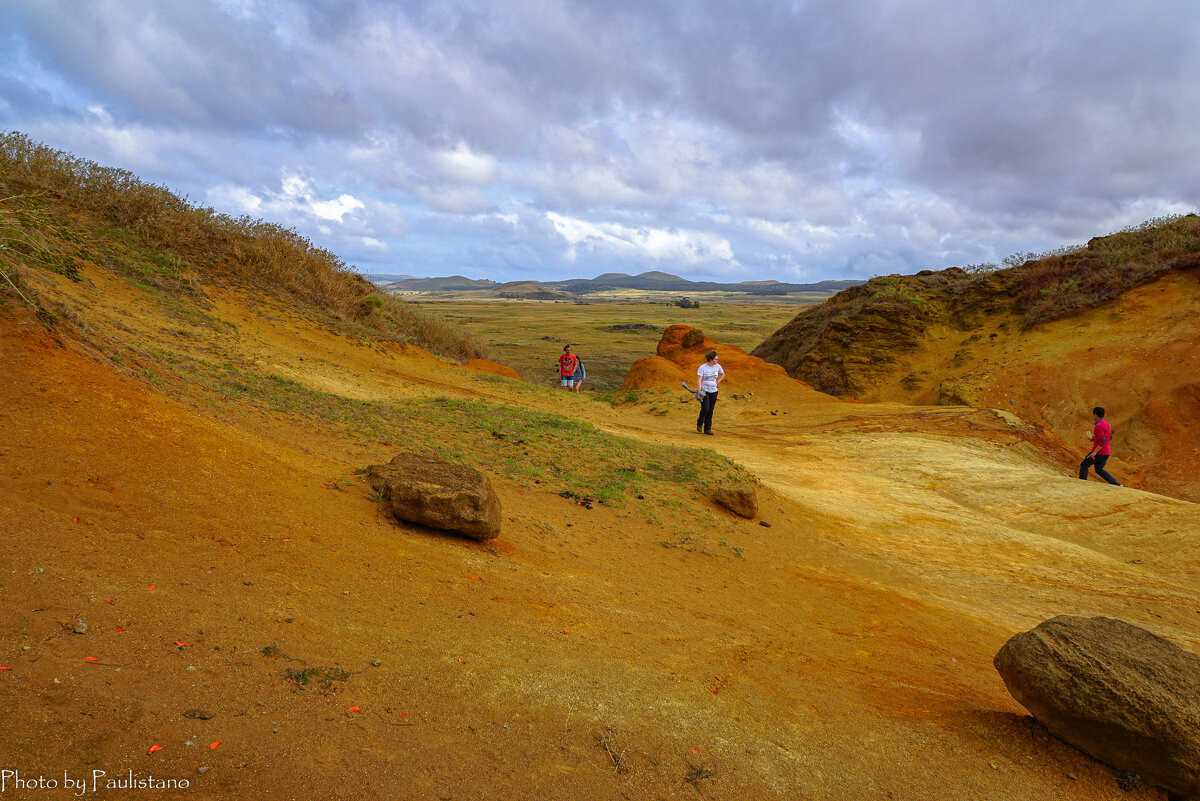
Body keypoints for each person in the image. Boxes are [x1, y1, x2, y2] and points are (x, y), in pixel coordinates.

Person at [1080, 406, 1122, 486]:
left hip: (1099, 452)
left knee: (1084, 465)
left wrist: (1094, 452)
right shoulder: (1106, 423)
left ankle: (1082, 483)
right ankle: (1116, 483)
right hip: (1106, 452)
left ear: (1095, 415)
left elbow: (1103, 441)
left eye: (1093, 415)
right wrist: (1094, 439)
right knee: (1099, 469)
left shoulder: (1098, 426)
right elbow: (1109, 437)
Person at [696, 349, 724, 435]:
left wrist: (718, 381)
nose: (717, 361)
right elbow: (699, 380)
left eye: (717, 359)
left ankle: (707, 429)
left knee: (711, 409)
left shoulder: (718, 366)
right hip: (705, 391)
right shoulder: (702, 368)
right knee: (705, 408)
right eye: (716, 359)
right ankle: (700, 422)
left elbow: (722, 374)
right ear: (710, 360)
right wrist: (699, 392)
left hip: (714, 391)